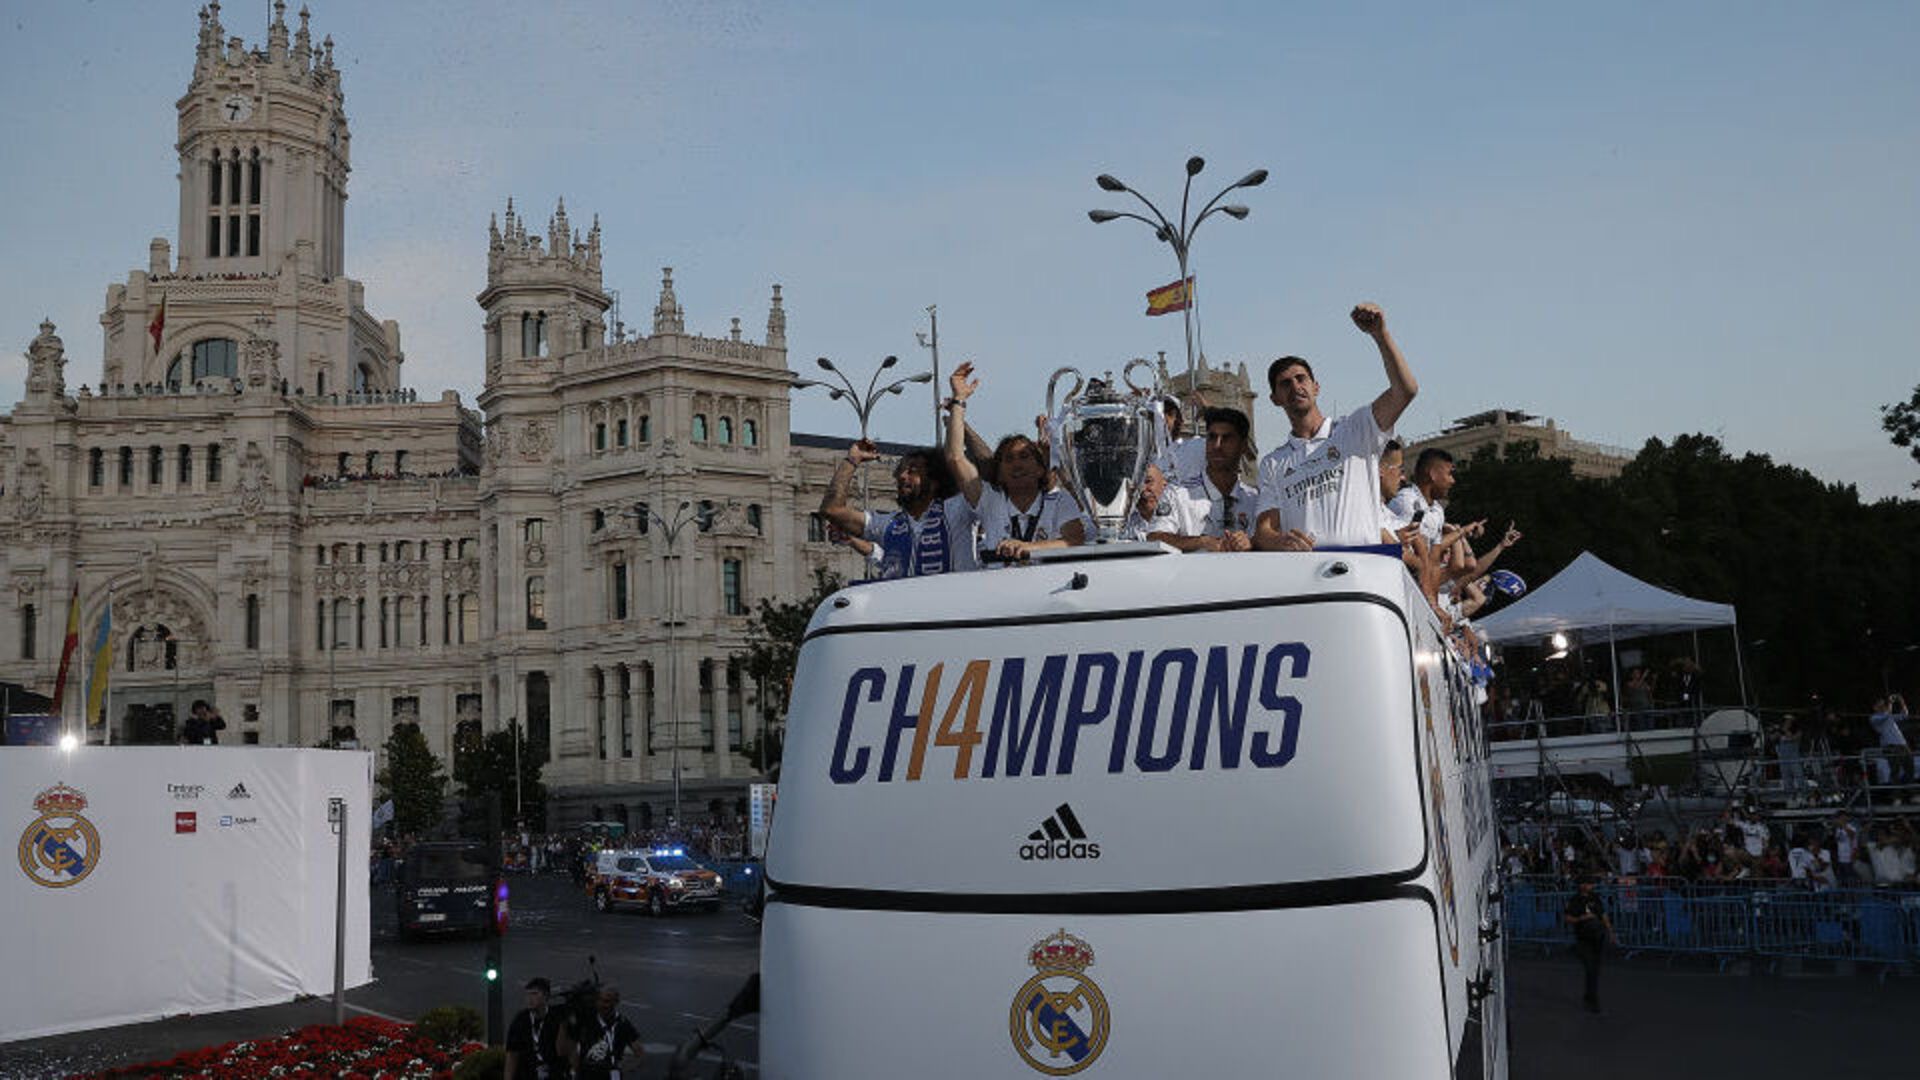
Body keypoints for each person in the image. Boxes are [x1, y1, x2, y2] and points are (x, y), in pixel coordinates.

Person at [1253, 302, 1418, 552]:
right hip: (1309, 575)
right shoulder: (1273, 463)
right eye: (1285, 384)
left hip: (1364, 569)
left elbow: (1405, 391)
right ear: (1275, 399)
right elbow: (1264, 531)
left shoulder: (1355, 429)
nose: (1295, 387)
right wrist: (1279, 541)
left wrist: (1380, 335)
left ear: (1316, 387)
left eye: (1301, 379)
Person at [943, 363, 1087, 564]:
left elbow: (1075, 541)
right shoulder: (989, 501)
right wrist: (959, 400)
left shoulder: (1060, 501)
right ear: (999, 473)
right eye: (1008, 459)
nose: (1017, 464)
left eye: (1025, 457)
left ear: (1039, 469)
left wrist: (1029, 548)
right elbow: (955, 458)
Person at [817, 437, 973, 579]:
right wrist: (852, 460)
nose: (902, 476)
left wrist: (957, 412)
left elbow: (981, 472)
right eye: (900, 471)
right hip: (904, 609)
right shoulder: (889, 524)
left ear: (934, 482)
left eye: (912, 471)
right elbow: (831, 510)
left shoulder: (956, 511)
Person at [505, 977, 573, 1080]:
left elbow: (562, 1052)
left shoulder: (556, 1017)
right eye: (528, 994)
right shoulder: (520, 1020)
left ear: (546, 996)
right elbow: (512, 1054)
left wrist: (564, 1024)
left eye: (535, 994)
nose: (530, 998)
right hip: (527, 1075)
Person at [1563, 878, 1613, 1013]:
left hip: (1597, 937)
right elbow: (1567, 917)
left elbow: (1603, 915)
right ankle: (1592, 999)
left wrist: (1610, 932)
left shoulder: (1595, 898)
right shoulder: (1575, 900)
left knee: (1595, 969)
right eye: (1587, 883)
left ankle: (1590, 995)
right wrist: (1580, 919)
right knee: (1590, 967)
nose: (1589, 886)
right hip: (1583, 938)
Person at [570, 986, 642, 1080]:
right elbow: (570, 1046)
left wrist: (622, 1069)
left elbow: (640, 1054)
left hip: (608, 1074)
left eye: (607, 1001)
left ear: (616, 1002)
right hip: (586, 1072)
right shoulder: (587, 1019)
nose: (602, 1005)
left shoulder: (622, 1024)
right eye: (600, 1000)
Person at [1386, 447, 1454, 544]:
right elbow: (1411, 551)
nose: (1452, 481)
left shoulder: (1437, 509)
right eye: (1449, 474)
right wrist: (1459, 533)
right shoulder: (1406, 502)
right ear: (1433, 474)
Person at [1868, 694, 1913, 789]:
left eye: (1883, 704)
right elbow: (1886, 714)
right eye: (1880, 705)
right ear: (1874, 708)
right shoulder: (1874, 718)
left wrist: (1901, 701)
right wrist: (1890, 703)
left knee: (1910, 768)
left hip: (1902, 744)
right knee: (1895, 770)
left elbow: (1905, 714)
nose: (1883, 706)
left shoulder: (1889, 715)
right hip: (1890, 746)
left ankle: (1909, 792)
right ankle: (1896, 796)